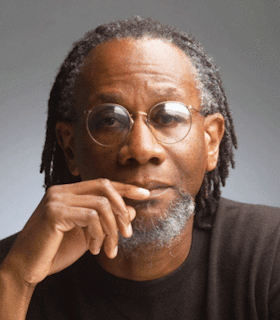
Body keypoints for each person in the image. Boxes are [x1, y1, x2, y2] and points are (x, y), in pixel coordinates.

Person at [0, 16, 279, 320]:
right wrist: (16, 280)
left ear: (210, 141)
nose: (142, 149)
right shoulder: (14, 265)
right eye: (109, 120)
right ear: (70, 149)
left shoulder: (270, 250)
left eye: (169, 117)